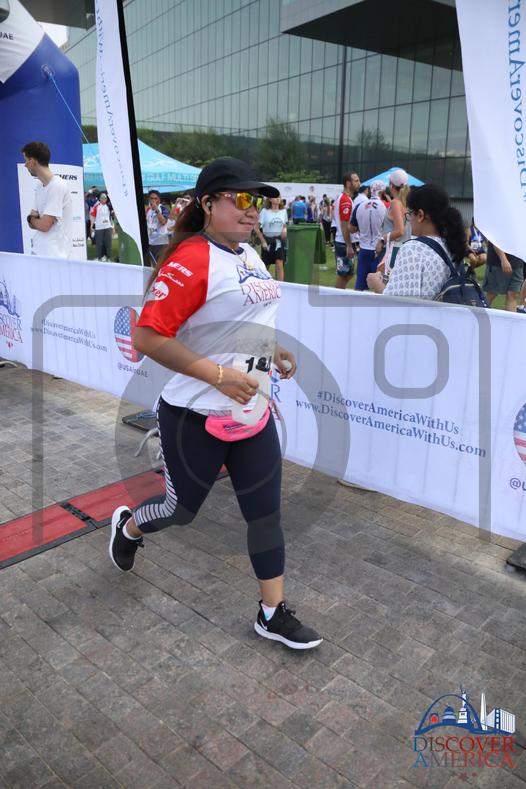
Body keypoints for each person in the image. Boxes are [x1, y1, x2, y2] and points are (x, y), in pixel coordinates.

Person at [108, 157, 322, 651]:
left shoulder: (249, 254)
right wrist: (219, 376)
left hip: (251, 412)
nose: (252, 210)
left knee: (265, 514)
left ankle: (271, 612)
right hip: (193, 416)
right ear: (207, 203)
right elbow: (146, 337)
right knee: (180, 510)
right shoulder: (191, 259)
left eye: (258, 201)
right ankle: (129, 525)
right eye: (241, 199)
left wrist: (273, 350)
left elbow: (242, 319)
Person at [367, 184, 467, 299]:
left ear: (420, 215)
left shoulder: (412, 249)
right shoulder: (452, 245)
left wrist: (376, 283)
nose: (409, 220)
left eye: (410, 214)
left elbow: (398, 302)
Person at [22, 141, 73, 259]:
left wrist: (32, 219)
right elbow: (34, 222)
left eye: (26, 160)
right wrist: (35, 220)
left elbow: (44, 225)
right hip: (40, 252)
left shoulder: (57, 185)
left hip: (55, 256)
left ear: (32, 161)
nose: (25, 165)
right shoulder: (40, 186)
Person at [350, 180, 386, 291]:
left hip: (364, 249)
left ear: (370, 190)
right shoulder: (385, 206)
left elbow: (352, 229)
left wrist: (363, 228)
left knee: (360, 288)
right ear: (382, 192)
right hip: (380, 250)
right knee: (380, 288)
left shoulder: (359, 206)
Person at [375, 168, 411, 275]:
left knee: (382, 283)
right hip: (403, 250)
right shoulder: (406, 202)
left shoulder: (396, 203)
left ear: (391, 185)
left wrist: (382, 240)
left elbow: (400, 231)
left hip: (392, 250)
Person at [483, 243, 525, 312]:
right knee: (491, 294)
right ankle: (477, 316)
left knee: (513, 295)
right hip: (497, 262)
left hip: (518, 263)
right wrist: (503, 259)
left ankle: (511, 319)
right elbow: (495, 240)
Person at [256, 195, 288, 282]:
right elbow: (256, 228)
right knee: (265, 265)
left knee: (279, 263)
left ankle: (281, 285)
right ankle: (261, 283)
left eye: (279, 197)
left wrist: (284, 230)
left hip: (279, 241)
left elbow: (284, 225)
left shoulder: (283, 211)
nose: (278, 199)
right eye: (275, 197)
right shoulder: (264, 211)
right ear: (270, 199)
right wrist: (263, 241)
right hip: (268, 241)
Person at [333, 172, 356, 289]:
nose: (359, 183)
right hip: (343, 242)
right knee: (344, 274)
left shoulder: (344, 198)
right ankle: (336, 296)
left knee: (348, 274)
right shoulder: (345, 200)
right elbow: (344, 223)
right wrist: (349, 245)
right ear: (348, 183)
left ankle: (338, 294)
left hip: (343, 241)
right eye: (356, 181)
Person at [146, 189, 169, 264]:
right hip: (151, 241)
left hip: (161, 242)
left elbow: (163, 222)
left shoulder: (163, 208)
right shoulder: (148, 210)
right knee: (153, 264)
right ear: (149, 199)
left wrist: (156, 209)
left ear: (159, 199)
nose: (154, 200)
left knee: (161, 264)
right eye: (152, 198)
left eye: (156, 198)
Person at [90, 192, 114, 261]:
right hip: (99, 228)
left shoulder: (109, 206)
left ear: (106, 199)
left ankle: (108, 258)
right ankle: (99, 257)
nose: (104, 199)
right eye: (102, 198)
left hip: (108, 227)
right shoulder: (96, 206)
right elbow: (93, 217)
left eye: (105, 198)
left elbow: (111, 218)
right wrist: (91, 226)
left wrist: (113, 227)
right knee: (99, 244)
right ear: (100, 199)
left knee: (108, 243)